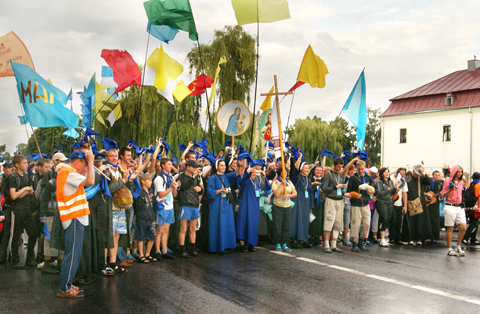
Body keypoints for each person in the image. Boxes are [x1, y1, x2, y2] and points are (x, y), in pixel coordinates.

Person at [56, 149, 95, 298]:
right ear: (78, 161)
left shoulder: (68, 172)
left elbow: (86, 179)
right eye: (84, 164)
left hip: (75, 218)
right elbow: (90, 181)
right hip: (73, 217)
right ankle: (64, 288)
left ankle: (67, 283)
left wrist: (88, 154)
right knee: (72, 255)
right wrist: (91, 163)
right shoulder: (67, 171)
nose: (85, 168)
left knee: (74, 254)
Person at [9, 154, 39, 268]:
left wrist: (22, 191)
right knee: (16, 235)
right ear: (17, 165)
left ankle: (29, 258)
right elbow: (13, 196)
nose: (27, 164)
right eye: (24, 163)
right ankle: (15, 260)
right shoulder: (13, 177)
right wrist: (24, 190)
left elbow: (31, 191)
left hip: (26, 208)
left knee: (33, 233)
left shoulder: (26, 176)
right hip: (18, 209)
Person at [206, 159, 237, 254]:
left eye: (224, 165)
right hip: (216, 204)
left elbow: (238, 174)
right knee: (216, 225)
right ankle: (216, 247)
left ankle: (226, 246)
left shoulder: (227, 177)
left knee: (226, 224)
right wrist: (221, 190)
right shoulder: (213, 178)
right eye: (221, 165)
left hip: (226, 204)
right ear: (217, 167)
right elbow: (209, 192)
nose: (224, 167)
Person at [347, 160, 376, 253]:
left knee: (366, 223)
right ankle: (354, 243)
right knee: (355, 223)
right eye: (359, 169)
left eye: (362, 169)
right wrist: (354, 194)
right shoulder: (352, 178)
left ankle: (361, 242)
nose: (360, 171)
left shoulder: (369, 178)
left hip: (366, 203)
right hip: (356, 204)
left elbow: (375, 188)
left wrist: (373, 191)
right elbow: (348, 191)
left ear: (365, 167)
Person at [154, 158, 179, 260]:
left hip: (170, 205)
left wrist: (175, 187)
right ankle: (157, 250)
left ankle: (164, 250)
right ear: (163, 165)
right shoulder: (159, 178)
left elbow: (174, 194)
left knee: (166, 230)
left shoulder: (171, 178)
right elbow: (161, 194)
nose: (171, 166)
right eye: (169, 164)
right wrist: (171, 188)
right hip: (162, 206)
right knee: (159, 230)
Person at [177, 160, 203, 258]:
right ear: (188, 167)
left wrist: (200, 190)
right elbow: (184, 186)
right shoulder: (181, 176)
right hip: (185, 204)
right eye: (194, 167)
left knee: (193, 228)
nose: (196, 169)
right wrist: (192, 177)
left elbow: (200, 191)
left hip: (195, 205)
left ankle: (192, 247)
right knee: (183, 228)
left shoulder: (196, 177)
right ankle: (182, 248)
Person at [236, 160, 263, 252]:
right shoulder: (245, 181)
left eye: (255, 173)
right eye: (252, 172)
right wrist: (253, 167)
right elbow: (245, 176)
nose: (254, 174)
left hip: (254, 207)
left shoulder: (256, 184)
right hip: (246, 206)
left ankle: (251, 243)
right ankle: (242, 244)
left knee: (253, 225)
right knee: (243, 224)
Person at [441, 165, 466, 256]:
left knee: (463, 227)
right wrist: (450, 190)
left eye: (461, 172)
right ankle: (449, 248)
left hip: (459, 206)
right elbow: (443, 194)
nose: (459, 174)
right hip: (450, 205)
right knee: (450, 227)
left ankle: (458, 246)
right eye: (458, 171)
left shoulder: (461, 182)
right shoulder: (448, 181)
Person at [290, 153, 314, 248]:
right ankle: (294, 239)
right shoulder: (297, 177)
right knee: (295, 220)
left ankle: (304, 239)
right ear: (301, 168)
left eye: (308, 168)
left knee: (304, 221)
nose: (307, 169)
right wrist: (299, 157)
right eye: (305, 168)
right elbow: (295, 168)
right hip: (297, 202)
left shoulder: (308, 179)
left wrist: (311, 206)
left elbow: (310, 193)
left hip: (306, 203)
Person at [271, 166, 297, 252]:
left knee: (286, 226)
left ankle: (285, 243)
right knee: (278, 226)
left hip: (287, 207)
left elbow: (295, 193)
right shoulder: (276, 182)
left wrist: (289, 195)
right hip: (278, 206)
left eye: (286, 171)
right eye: (283, 171)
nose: (285, 173)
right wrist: (282, 184)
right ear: (279, 173)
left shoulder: (289, 182)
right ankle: (278, 243)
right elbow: (277, 194)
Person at [406, 164, 433, 246]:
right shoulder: (408, 177)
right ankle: (410, 238)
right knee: (411, 220)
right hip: (410, 201)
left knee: (420, 220)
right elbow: (402, 186)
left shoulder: (421, 178)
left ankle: (419, 238)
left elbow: (429, 182)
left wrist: (423, 173)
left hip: (420, 201)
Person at [134, 174, 157, 263]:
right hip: (142, 217)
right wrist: (146, 200)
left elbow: (153, 203)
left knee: (152, 236)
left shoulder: (150, 190)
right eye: (148, 180)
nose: (150, 182)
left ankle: (147, 254)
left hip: (150, 216)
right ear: (143, 181)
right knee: (141, 236)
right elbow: (138, 206)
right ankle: (141, 255)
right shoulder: (139, 192)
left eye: (151, 180)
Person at [375, 168, 398, 247]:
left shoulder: (390, 181)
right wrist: (388, 189)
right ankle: (381, 239)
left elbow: (392, 193)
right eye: (385, 172)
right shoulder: (379, 181)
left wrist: (394, 188)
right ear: (382, 174)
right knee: (384, 219)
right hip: (382, 202)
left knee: (388, 220)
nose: (387, 173)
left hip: (389, 202)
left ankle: (384, 238)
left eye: (388, 172)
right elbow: (380, 193)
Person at [390, 168, 408, 245]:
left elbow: (404, 193)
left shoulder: (403, 181)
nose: (401, 176)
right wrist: (394, 188)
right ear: (397, 173)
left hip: (399, 203)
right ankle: (391, 237)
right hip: (391, 202)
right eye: (400, 174)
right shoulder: (391, 179)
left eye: (403, 175)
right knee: (393, 221)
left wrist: (405, 205)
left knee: (398, 221)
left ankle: (397, 238)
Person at [0, 161, 13, 264]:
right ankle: (3, 255)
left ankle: (6, 255)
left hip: (9, 206)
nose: (7, 169)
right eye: (6, 168)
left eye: (9, 167)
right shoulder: (4, 179)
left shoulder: (10, 178)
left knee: (10, 233)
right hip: (7, 207)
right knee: (6, 233)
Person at [425, 170, 443, 243]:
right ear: (432, 175)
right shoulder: (428, 183)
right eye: (435, 175)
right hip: (427, 203)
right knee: (426, 219)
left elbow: (442, 195)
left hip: (435, 204)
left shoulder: (440, 185)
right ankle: (425, 235)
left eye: (438, 175)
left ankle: (434, 236)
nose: (437, 176)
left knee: (435, 220)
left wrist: (441, 195)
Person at [463, 172, 480, 245]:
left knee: (474, 223)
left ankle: (473, 239)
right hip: (476, 207)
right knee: (474, 224)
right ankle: (465, 238)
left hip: (469, 207)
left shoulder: (469, 185)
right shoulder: (479, 185)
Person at [309, 165, 324, 246]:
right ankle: (310, 236)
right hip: (313, 202)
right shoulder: (310, 179)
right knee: (312, 220)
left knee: (319, 220)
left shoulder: (323, 180)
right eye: (317, 170)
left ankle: (317, 237)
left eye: (320, 171)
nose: (319, 172)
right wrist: (312, 184)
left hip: (320, 203)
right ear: (314, 171)